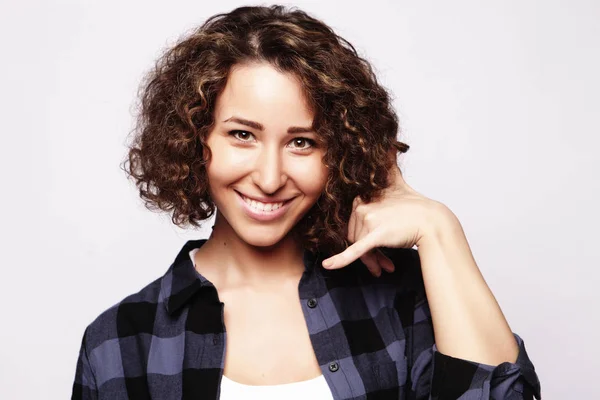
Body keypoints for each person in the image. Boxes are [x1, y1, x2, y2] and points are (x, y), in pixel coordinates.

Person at [71, 5, 541, 400]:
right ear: (194, 138)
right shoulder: (119, 342)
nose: (270, 178)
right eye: (242, 135)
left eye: (302, 143)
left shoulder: (405, 300)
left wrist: (440, 229)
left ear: (337, 151)